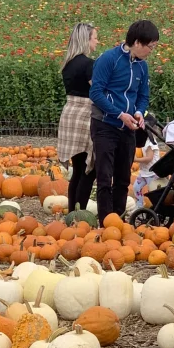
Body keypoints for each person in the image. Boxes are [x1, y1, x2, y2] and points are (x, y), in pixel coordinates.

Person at [89, 20, 158, 221]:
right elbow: (96, 92)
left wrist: (139, 112)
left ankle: (118, 220)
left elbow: (143, 95)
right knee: (104, 176)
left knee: (123, 178)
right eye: (150, 47)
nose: (151, 51)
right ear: (137, 42)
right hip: (105, 125)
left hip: (128, 129)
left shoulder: (142, 66)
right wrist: (119, 114)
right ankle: (105, 222)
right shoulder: (109, 59)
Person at [56, 22, 98, 212]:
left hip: (70, 113)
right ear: (86, 40)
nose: (97, 41)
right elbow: (97, 91)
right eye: (95, 38)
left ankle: (73, 213)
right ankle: (80, 215)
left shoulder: (67, 64)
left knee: (78, 169)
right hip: (85, 114)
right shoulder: (88, 64)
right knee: (89, 170)